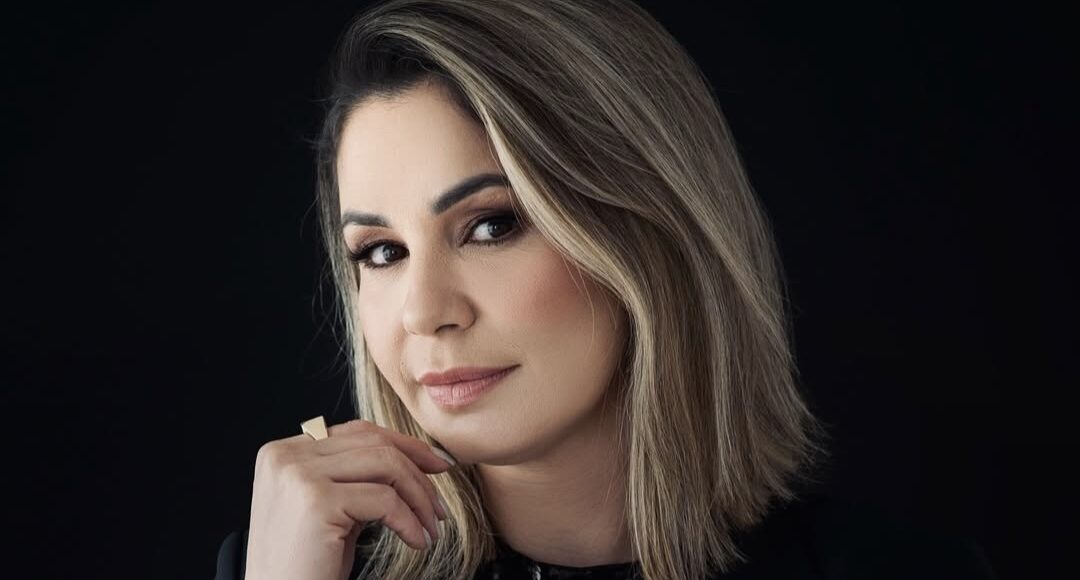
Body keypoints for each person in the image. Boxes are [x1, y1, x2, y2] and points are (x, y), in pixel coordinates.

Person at [215, 0, 996, 578]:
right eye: (381, 251)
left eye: (491, 226)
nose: (423, 312)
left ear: (645, 231)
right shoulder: (297, 565)